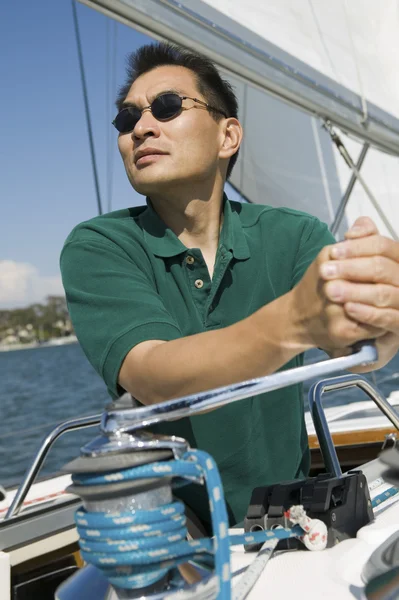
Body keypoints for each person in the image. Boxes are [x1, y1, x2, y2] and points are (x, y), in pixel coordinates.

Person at [60, 42, 399, 530]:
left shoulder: (293, 233)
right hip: (171, 534)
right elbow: (154, 375)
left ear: (228, 136)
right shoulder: (98, 246)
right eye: (126, 118)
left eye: (168, 107)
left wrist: (379, 309)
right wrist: (296, 320)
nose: (140, 127)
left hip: (291, 517)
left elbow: (357, 342)